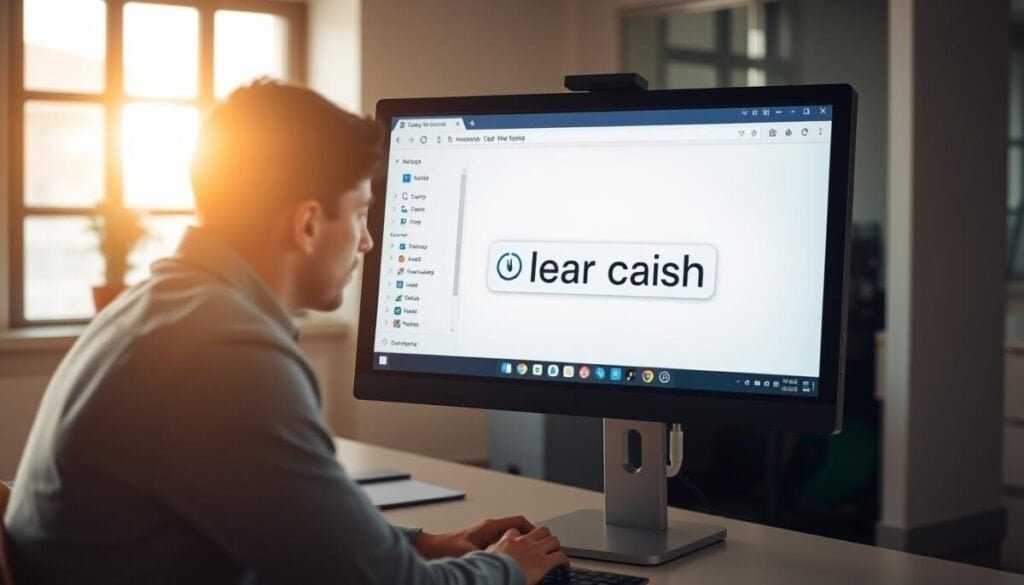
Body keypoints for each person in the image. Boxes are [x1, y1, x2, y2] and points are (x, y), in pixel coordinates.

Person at [3, 80, 569, 585]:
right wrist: (507, 568)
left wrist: (423, 543)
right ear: (307, 224)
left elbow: (286, 527)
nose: (367, 242)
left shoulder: (165, 308)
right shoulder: (225, 354)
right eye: (359, 215)